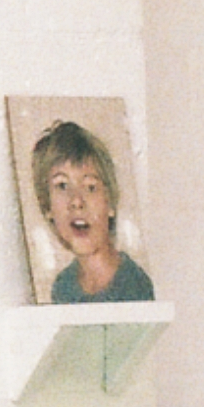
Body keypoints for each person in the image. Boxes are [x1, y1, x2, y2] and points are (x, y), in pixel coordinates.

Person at [31, 117, 154, 305]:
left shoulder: (135, 286)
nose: (76, 201)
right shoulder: (63, 288)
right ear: (47, 207)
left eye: (90, 187)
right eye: (62, 186)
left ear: (110, 204)